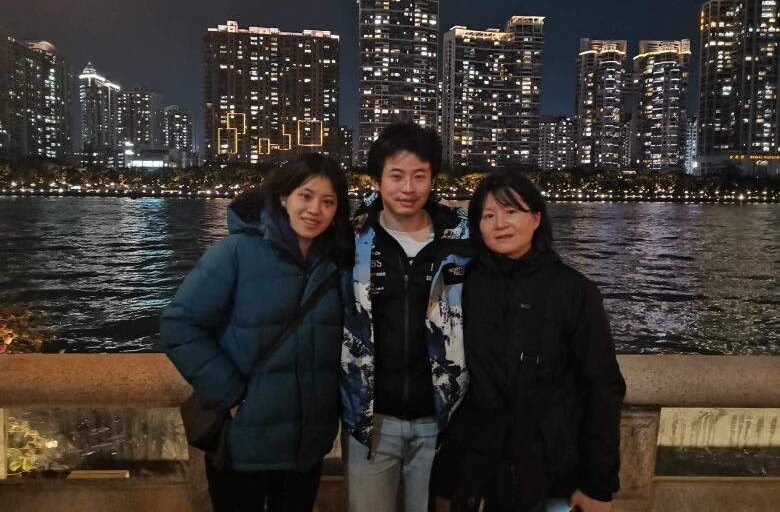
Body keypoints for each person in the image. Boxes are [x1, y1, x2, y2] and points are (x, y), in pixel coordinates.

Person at [160, 153, 352, 512]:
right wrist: (230, 394)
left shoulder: (337, 263)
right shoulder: (236, 251)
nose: (315, 210)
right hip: (243, 444)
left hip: (305, 447)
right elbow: (178, 324)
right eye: (305, 196)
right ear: (283, 197)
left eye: (328, 201)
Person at [431, 169, 626, 512]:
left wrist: (597, 484)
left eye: (511, 212)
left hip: (551, 468)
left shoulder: (573, 290)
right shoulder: (465, 286)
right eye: (488, 215)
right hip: (474, 465)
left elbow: (602, 386)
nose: (500, 224)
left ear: (536, 218)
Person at [340, 122, 472, 512]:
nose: (408, 188)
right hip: (370, 421)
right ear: (376, 180)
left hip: (442, 420)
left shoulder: (461, 241)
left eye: (420, 176)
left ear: (433, 178)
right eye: (396, 176)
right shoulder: (351, 238)